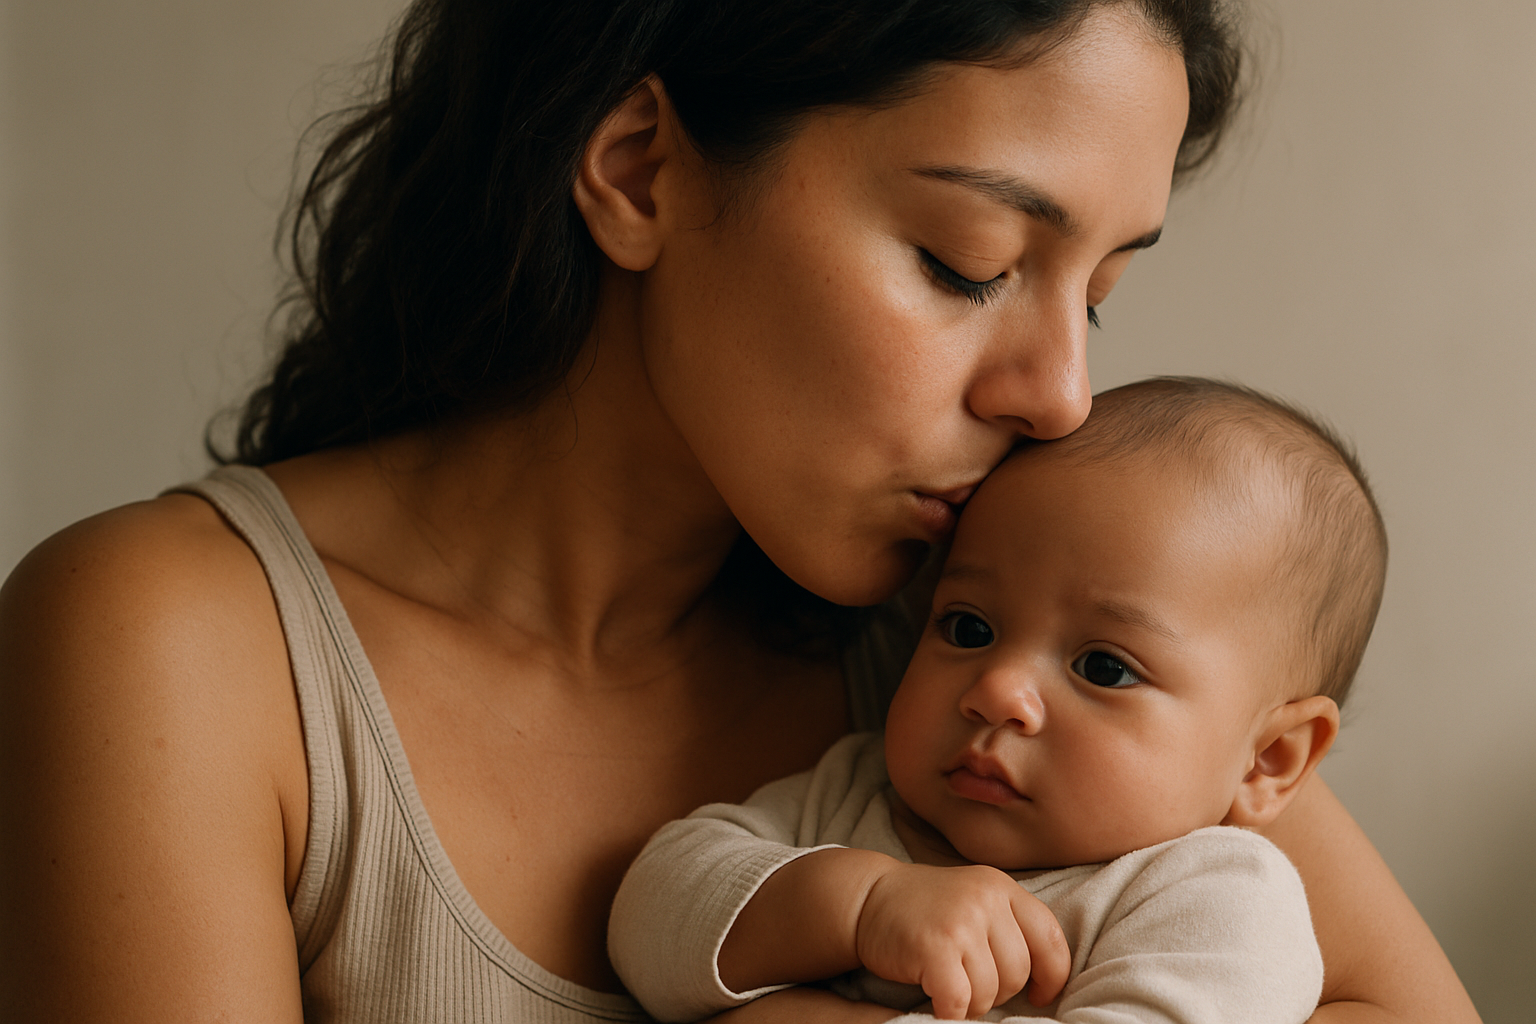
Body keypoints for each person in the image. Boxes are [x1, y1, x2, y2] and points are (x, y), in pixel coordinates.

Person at [0, 1, 1479, 1022]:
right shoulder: (178, 647)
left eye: (1100, 294)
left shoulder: (992, 621)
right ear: (639, 169)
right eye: (970, 263)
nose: (1062, 396)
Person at [610, 377, 1378, 1024]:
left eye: (1104, 668)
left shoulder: (1219, 902)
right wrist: (858, 906)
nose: (997, 691)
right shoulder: (856, 794)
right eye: (969, 627)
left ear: (1269, 759)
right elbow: (647, 919)